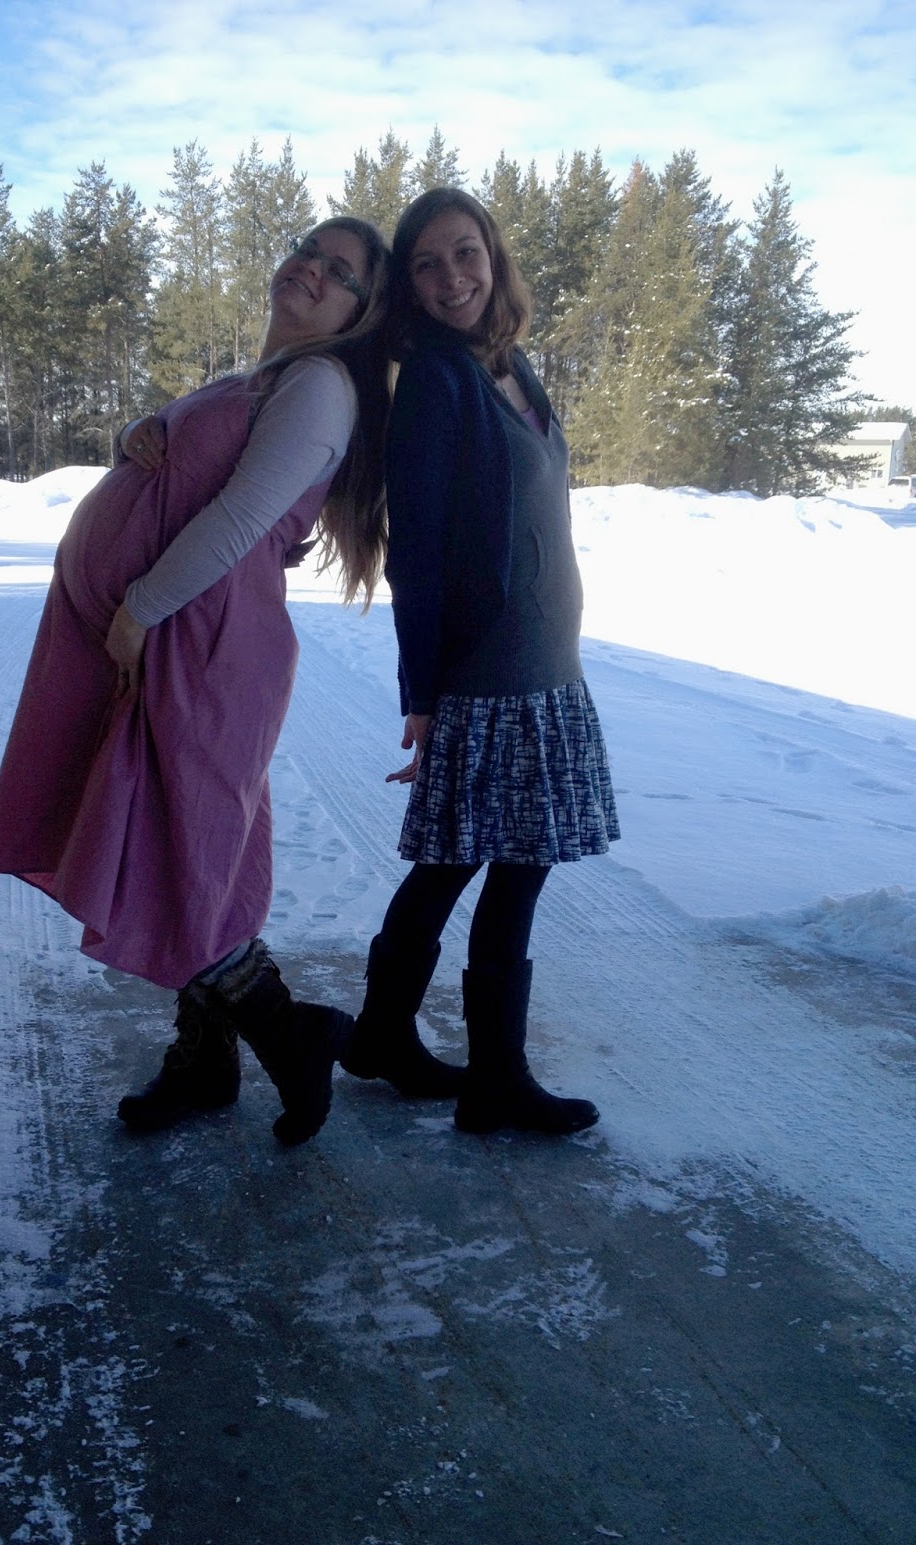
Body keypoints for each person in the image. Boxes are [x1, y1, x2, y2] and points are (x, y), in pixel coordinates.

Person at [0, 219, 391, 1146]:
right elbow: (197, 473)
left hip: (199, 640)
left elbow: (243, 516)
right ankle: (204, 1062)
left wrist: (141, 608)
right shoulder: (267, 377)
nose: (312, 270)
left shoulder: (322, 384)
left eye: (340, 272)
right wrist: (145, 433)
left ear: (360, 313)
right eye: (309, 250)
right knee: (179, 848)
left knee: (180, 854)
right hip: (175, 634)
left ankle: (292, 1034)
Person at [341, 188, 620, 1136]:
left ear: (494, 256)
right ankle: (492, 1076)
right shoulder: (435, 378)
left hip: (547, 669)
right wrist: (422, 690)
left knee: (465, 861)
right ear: (409, 286)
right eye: (427, 263)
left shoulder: (508, 363)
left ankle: (382, 1034)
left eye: (466, 252)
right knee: (502, 863)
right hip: (492, 677)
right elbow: (416, 550)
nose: (452, 277)